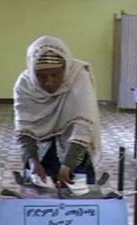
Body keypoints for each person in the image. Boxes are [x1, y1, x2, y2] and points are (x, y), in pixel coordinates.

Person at [13, 35, 101, 187]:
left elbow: (82, 125)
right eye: (40, 76)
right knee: (39, 195)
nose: (49, 82)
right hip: (41, 149)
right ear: (32, 73)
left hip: (74, 148)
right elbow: (24, 129)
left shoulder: (78, 77)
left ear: (65, 68)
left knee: (78, 196)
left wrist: (68, 165)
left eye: (55, 75)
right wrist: (32, 161)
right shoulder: (25, 84)